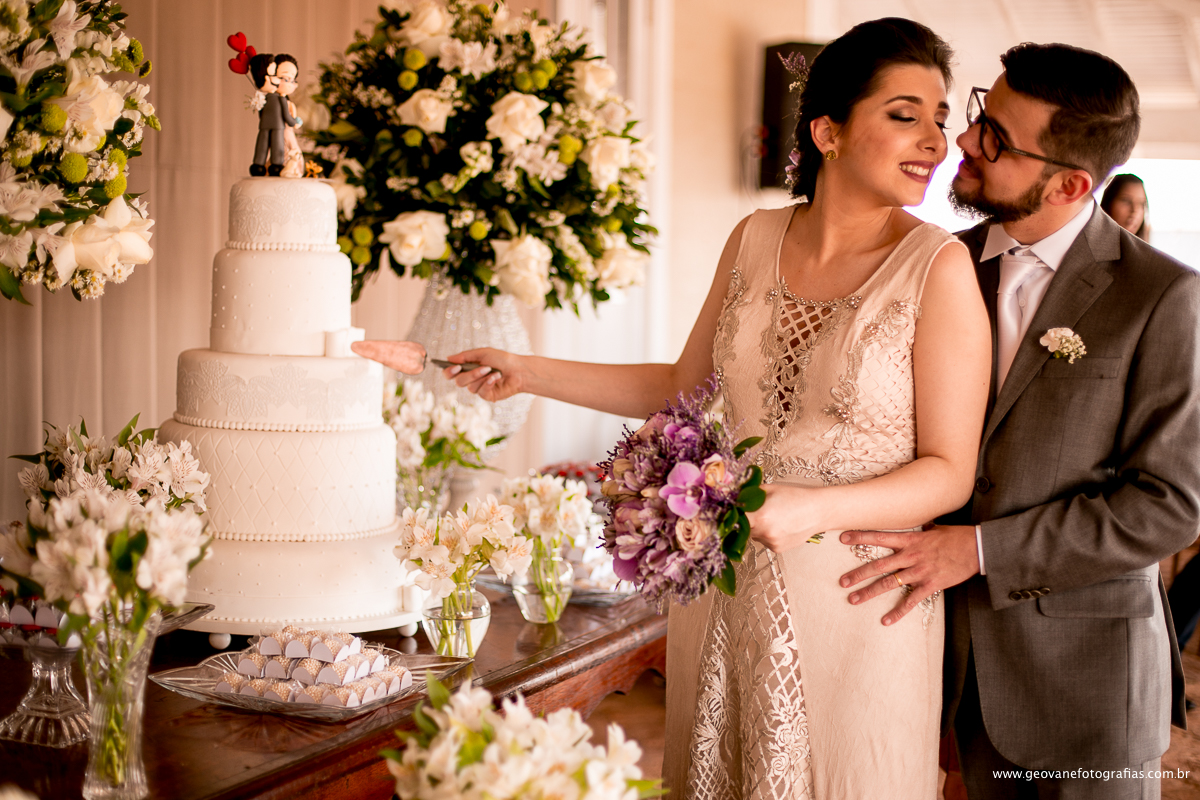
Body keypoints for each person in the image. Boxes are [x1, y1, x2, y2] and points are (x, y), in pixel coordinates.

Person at [361, 18, 990, 798]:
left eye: (940, 117)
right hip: (723, 593)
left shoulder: (940, 268)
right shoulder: (754, 238)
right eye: (905, 115)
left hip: (858, 609)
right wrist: (526, 370)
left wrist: (813, 512)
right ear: (828, 130)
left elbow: (950, 473)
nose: (936, 140)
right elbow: (683, 391)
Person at [840, 43, 1199, 798]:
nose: (964, 142)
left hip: (1091, 682)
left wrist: (979, 550)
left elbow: (1168, 506)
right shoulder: (938, 265)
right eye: (980, 115)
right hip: (956, 675)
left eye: (997, 139)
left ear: (1070, 183)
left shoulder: (1164, 297)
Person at [1101, 172, 1150, 240]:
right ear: (1109, 202)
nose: (1134, 210)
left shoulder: (1145, 249)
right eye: (1126, 200)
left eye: (1141, 203)